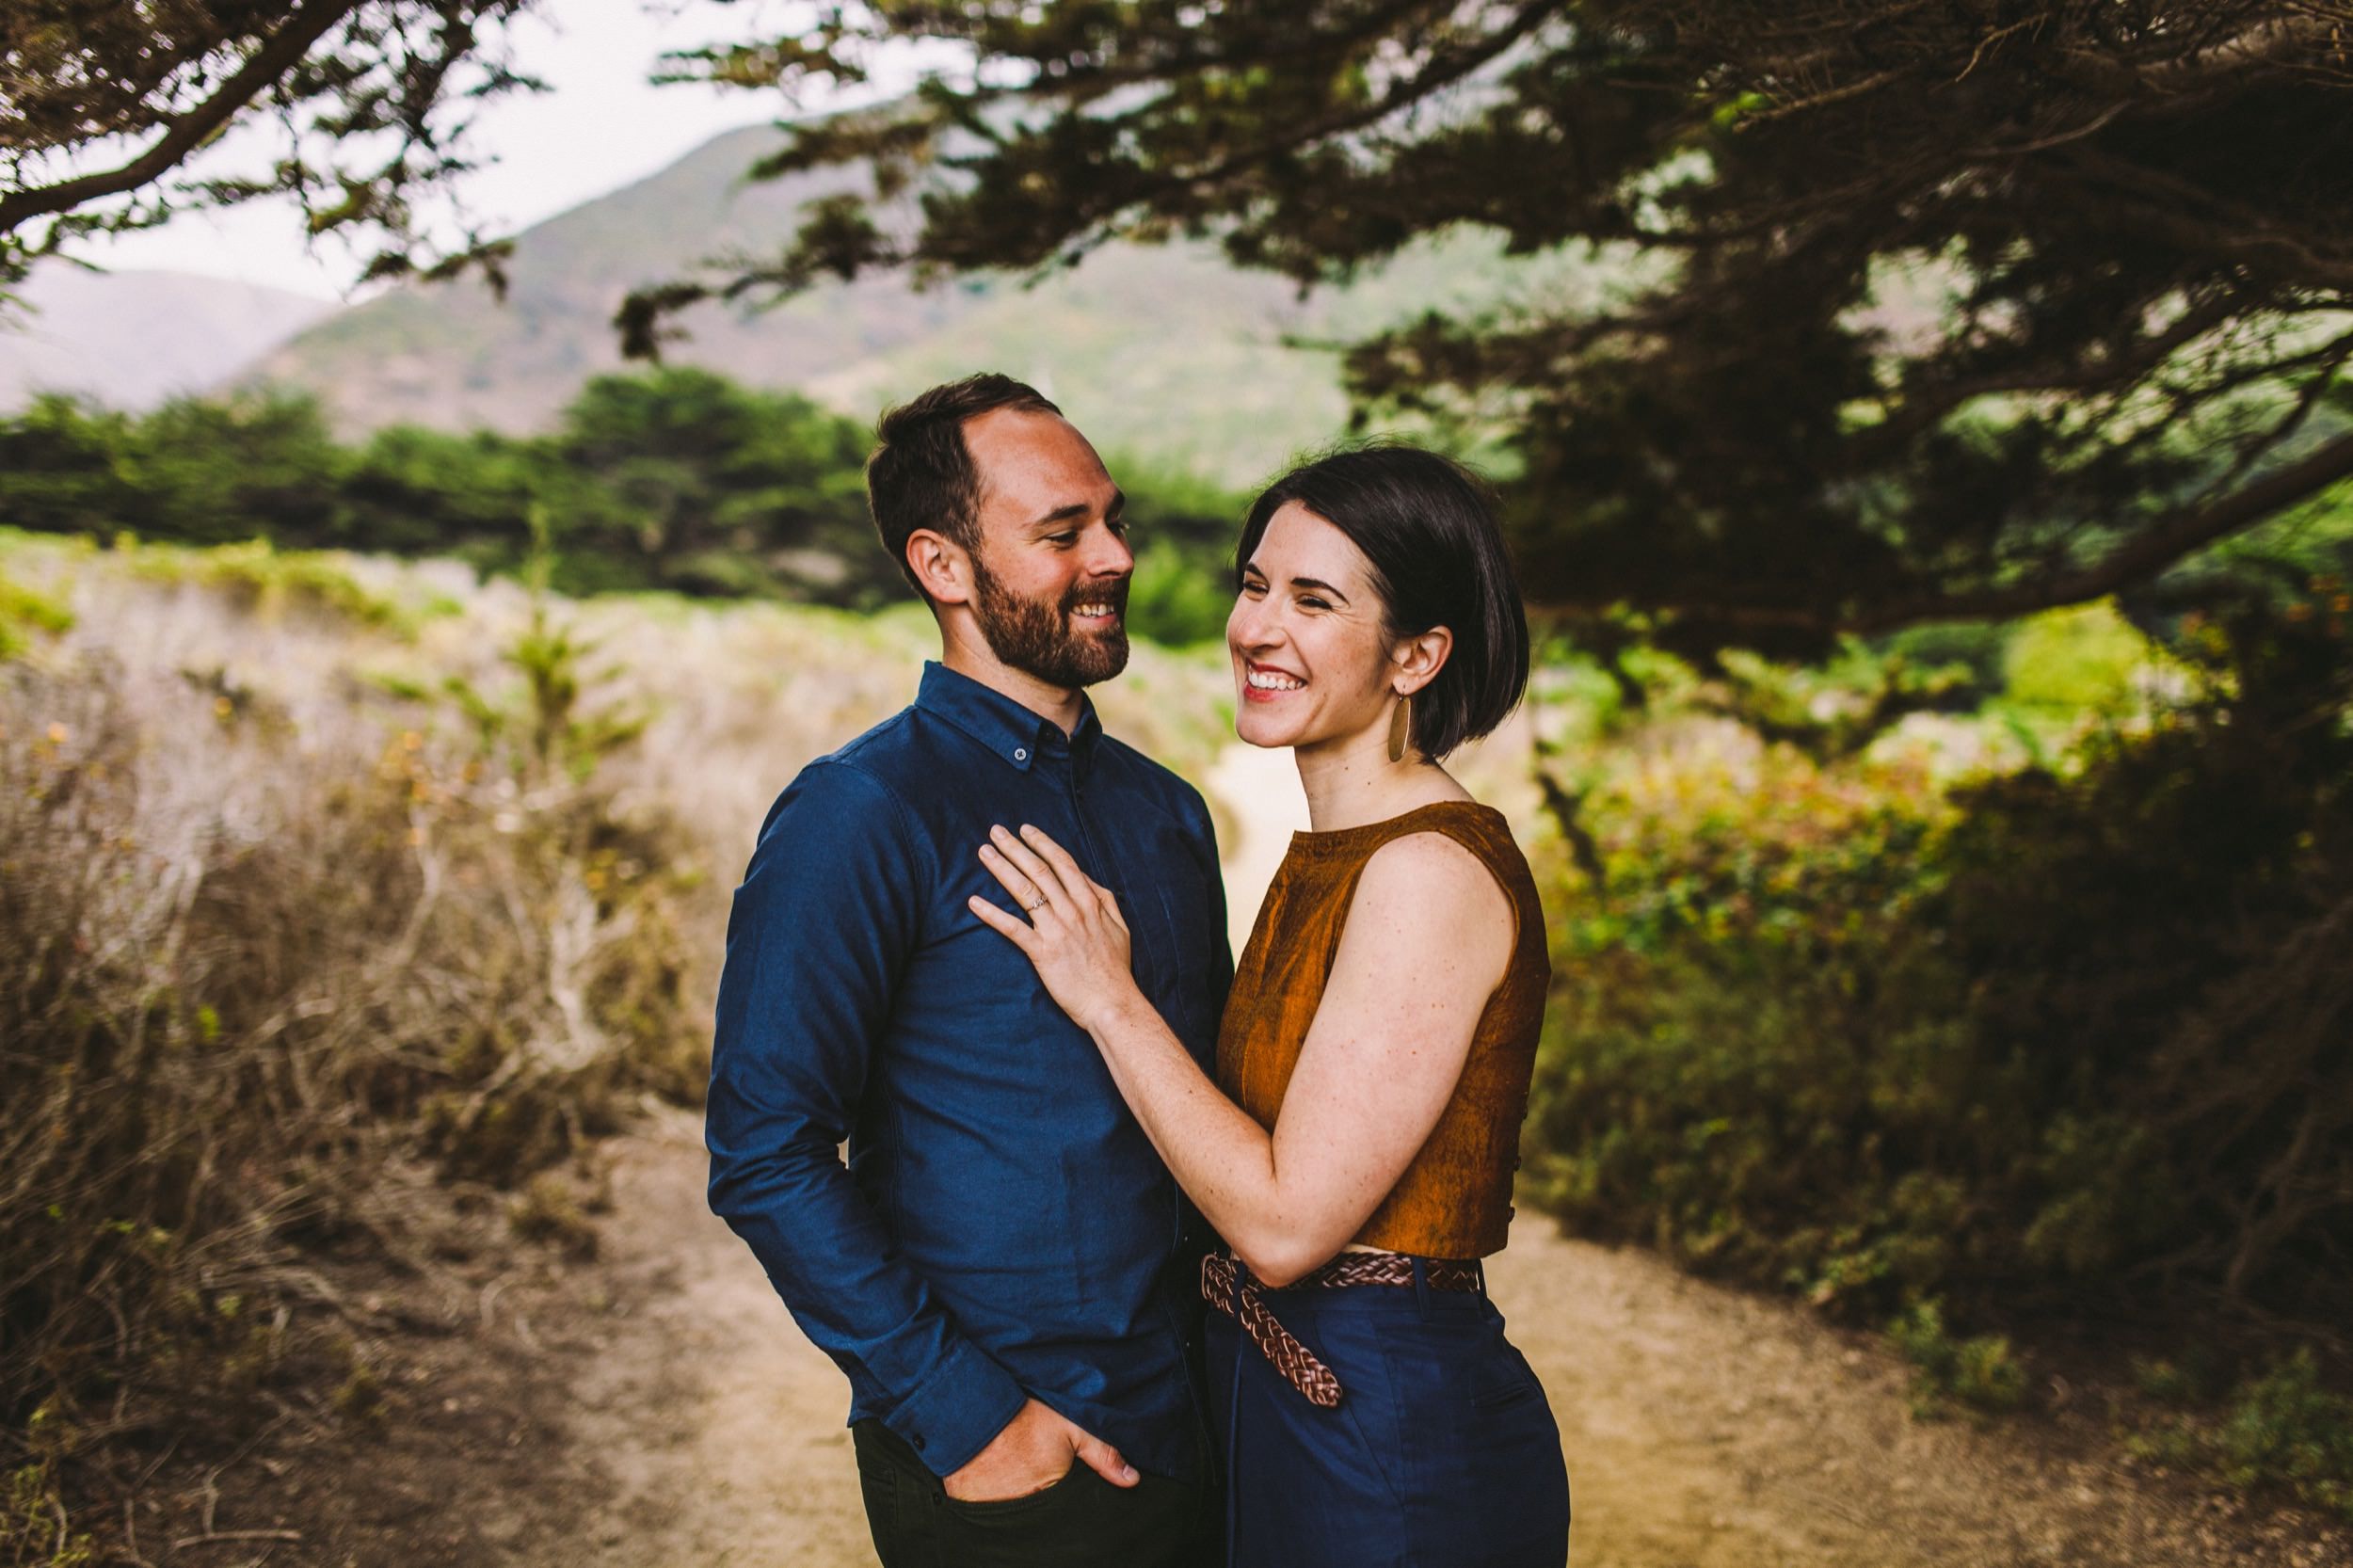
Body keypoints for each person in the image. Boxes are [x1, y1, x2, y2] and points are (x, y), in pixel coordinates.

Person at [968, 443, 1572, 1567]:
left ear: (1416, 655)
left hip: (1388, 1424)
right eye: (1254, 585)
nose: (1257, 628)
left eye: (1313, 599)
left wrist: (1110, 998)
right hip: (1283, 1394)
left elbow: (1288, 1227)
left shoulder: (1425, 871)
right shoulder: (1338, 851)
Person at [705, 374, 1230, 1568]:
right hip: (1015, 1463)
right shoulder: (861, 810)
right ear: (943, 565)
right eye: (1062, 532)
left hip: (1204, 1427)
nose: (1114, 556)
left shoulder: (1169, 815)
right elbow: (765, 1150)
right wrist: (969, 1418)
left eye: (1112, 519)